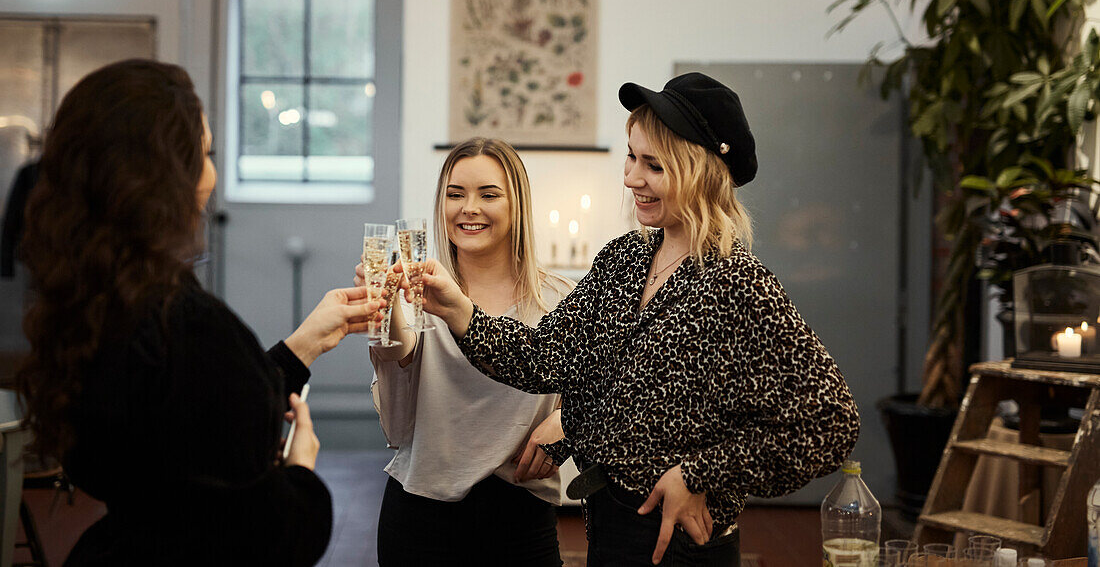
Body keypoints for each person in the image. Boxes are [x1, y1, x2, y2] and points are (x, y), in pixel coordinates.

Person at [414, 73, 862, 566]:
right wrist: (458, 309)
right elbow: (544, 358)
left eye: (654, 165)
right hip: (608, 527)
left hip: (683, 544)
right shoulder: (625, 259)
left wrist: (700, 474)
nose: (631, 178)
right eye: (632, 156)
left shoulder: (737, 283)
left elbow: (830, 423)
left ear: (700, 173)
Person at [16, 59, 381, 566]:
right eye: (205, 153)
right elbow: (263, 537)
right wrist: (302, 473)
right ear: (166, 176)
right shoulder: (184, 325)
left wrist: (303, 346)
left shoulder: (92, 303)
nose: (211, 173)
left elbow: (190, 420)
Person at [357, 137, 573, 567]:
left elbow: (605, 388)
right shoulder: (422, 294)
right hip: (421, 519)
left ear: (517, 205)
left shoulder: (558, 300)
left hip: (522, 521)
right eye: (455, 195)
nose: (468, 208)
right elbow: (400, 359)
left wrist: (567, 419)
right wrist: (385, 310)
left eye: (488, 194)